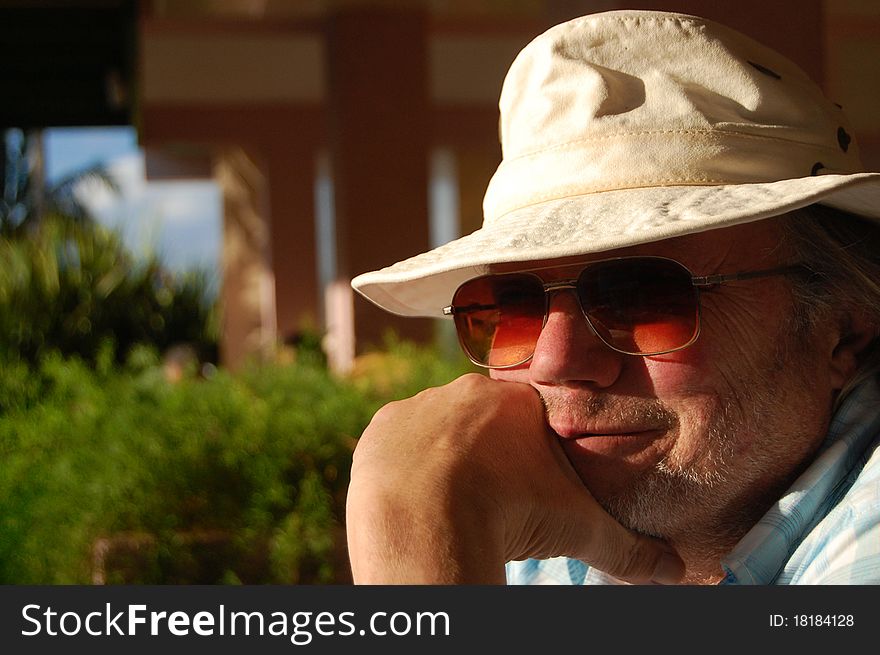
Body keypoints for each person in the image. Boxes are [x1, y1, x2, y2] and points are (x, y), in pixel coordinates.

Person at [346, 10, 880, 585]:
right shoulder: (543, 532)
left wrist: (409, 526)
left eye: (639, 296)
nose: (554, 362)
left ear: (842, 330)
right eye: (512, 308)